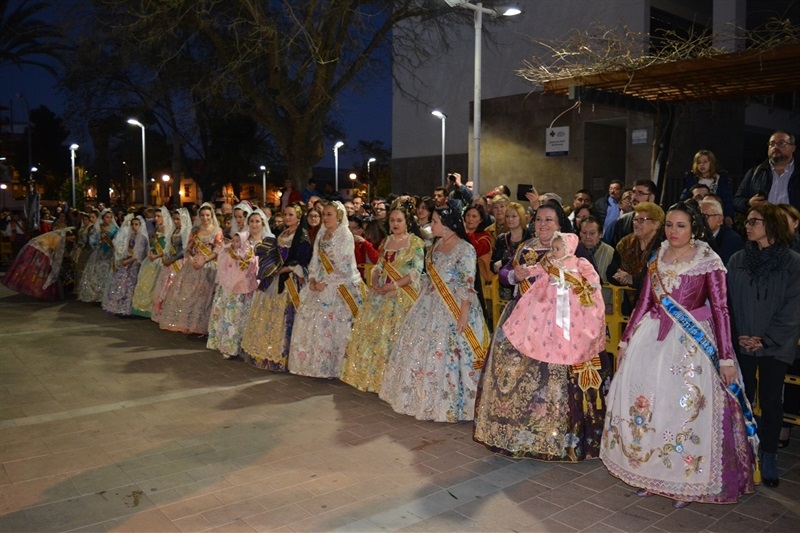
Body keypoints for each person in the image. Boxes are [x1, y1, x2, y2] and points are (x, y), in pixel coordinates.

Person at [602, 202, 756, 507]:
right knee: (651, 407)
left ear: (694, 228)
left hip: (691, 345)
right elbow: (644, 303)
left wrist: (726, 357)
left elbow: (721, 310)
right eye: (669, 225)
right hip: (651, 339)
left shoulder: (708, 261)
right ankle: (650, 473)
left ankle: (685, 481)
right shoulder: (657, 256)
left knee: (683, 409)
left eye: (681, 225)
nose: (673, 231)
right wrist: (625, 341)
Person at [474, 200, 609, 461]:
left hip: (563, 324)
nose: (542, 224)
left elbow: (591, 283)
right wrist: (514, 275)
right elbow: (504, 273)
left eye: (549, 220)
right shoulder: (526, 246)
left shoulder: (572, 247)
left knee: (554, 378)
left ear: (560, 224)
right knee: (513, 373)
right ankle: (516, 433)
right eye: (538, 219)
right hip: (523, 319)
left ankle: (558, 436)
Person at [380, 201, 488, 422]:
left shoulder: (465, 249)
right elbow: (430, 276)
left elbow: (467, 284)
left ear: (447, 224)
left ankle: (453, 405)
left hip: (455, 306)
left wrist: (463, 314)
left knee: (451, 354)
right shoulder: (436, 245)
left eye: (435, 221)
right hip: (430, 303)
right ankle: (422, 399)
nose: (432, 225)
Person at [727, 203, 800, 487]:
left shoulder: (792, 262)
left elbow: (793, 308)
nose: (747, 225)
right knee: (741, 397)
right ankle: (741, 451)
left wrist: (766, 339)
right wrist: (738, 335)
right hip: (743, 339)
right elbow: (727, 302)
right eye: (747, 220)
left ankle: (769, 454)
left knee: (770, 400)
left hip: (775, 344)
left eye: (754, 221)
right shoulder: (737, 259)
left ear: (771, 226)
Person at [341, 202, 425, 393]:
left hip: (403, 295)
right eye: (392, 220)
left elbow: (416, 272)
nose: (395, 224)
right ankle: (374, 378)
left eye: (399, 220)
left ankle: (395, 381)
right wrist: (375, 279)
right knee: (373, 335)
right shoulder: (386, 241)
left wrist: (393, 286)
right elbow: (379, 264)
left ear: (407, 222)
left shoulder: (415, 243)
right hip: (381, 293)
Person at [288, 201, 363, 378]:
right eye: (324, 214)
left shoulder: (345, 235)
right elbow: (315, 258)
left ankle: (333, 367)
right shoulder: (322, 233)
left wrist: (326, 282)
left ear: (339, 216)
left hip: (340, 285)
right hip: (320, 282)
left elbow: (344, 264)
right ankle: (313, 366)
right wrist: (313, 278)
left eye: (329, 214)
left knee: (334, 326)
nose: (325, 218)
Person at [241, 204, 312, 371]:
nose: (287, 217)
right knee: (268, 314)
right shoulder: (283, 232)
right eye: (285, 214)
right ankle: (265, 351)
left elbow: (302, 262)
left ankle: (283, 356)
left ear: (298, 217)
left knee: (285, 317)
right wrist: (269, 268)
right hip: (275, 278)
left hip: (290, 281)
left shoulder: (302, 236)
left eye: (291, 215)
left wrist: (281, 270)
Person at [159, 202, 224, 335]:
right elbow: (188, 248)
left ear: (212, 216)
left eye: (208, 215)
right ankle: (187, 323)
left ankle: (201, 324)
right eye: (202, 215)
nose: (205, 218)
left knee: (204, 297)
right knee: (187, 294)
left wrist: (205, 260)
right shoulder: (195, 231)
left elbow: (218, 250)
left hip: (209, 266)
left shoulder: (217, 231)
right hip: (193, 265)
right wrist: (191, 259)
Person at [207, 230, 259, 359]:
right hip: (230, 289)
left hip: (244, 290)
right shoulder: (229, 253)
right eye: (234, 241)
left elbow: (253, 268)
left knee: (240, 318)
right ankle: (227, 346)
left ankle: (240, 346)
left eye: (238, 241)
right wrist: (225, 251)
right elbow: (223, 266)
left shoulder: (250, 253)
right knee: (229, 318)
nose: (235, 243)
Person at [607, 201, 664, 307]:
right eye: (635, 220)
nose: (636, 224)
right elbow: (611, 272)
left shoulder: (664, 247)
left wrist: (632, 279)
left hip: (656, 305)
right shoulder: (625, 243)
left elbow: (660, 280)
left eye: (641, 220)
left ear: (656, 224)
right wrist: (620, 277)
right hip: (627, 305)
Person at [2, 227, 75, 300]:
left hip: (33, 250)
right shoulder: (58, 239)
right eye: (72, 238)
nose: (72, 240)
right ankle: (39, 291)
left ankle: (32, 288)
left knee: (31, 270)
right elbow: (58, 255)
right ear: (67, 236)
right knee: (42, 272)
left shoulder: (55, 235)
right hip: (40, 252)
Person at [735, 131, 799, 215]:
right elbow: (737, 201)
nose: (775, 147)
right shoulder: (755, 173)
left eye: (781, 143)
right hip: (763, 222)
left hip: (793, 223)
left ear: (793, 148)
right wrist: (749, 203)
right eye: (772, 144)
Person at [131, 206, 173, 317]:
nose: (156, 218)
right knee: (145, 283)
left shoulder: (168, 230)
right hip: (152, 258)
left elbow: (168, 249)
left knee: (155, 285)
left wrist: (157, 256)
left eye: (159, 216)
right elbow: (153, 243)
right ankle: (141, 308)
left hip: (160, 260)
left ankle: (152, 309)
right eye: (155, 216)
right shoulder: (157, 228)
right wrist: (150, 252)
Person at [151, 208, 192, 324]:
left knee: (175, 287)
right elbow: (168, 246)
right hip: (171, 262)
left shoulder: (186, 232)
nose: (176, 221)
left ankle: (175, 315)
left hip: (181, 262)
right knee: (165, 286)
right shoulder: (174, 230)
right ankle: (164, 313)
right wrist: (166, 257)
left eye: (178, 219)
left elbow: (184, 250)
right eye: (175, 219)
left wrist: (171, 260)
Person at [103, 214, 149, 316]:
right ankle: (120, 306)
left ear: (140, 225)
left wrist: (127, 261)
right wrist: (124, 259)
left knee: (130, 284)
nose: (134, 226)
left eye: (136, 224)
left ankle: (128, 307)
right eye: (132, 224)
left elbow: (138, 255)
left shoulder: (142, 238)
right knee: (121, 283)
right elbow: (127, 250)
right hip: (128, 262)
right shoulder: (131, 236)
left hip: (135, 265)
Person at [679, 150, 735, 223]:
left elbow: (726, 199)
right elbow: (685, 198)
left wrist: (728, 215)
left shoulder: (720, 180)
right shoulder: (693, 180)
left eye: (705, 162)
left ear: (711, 163)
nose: (702, 165)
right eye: (699, 162)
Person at [491, 202, 532, 301]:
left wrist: (504, 262)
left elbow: (527, 262)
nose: (510, 219)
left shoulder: (530, 238)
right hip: (505, 285)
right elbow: (493, 265)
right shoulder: (501, 238)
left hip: (525, 285)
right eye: (507, 216)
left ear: (521, 218)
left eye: (514, 216)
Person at [78, 208, 119, 302]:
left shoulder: (115, 229)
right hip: (100, 252)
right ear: (103, 218)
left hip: (110, 253)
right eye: (107, 217)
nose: (109, 219)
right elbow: (92, 240)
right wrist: (98, 242)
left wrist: (112, 243)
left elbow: (119, 240)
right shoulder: (98, 228)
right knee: (97, 271)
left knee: (109, 271)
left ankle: (107, 294)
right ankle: (98, 295)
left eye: (110, 217)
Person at [606, 179, 657, 247]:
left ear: (651, 197)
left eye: (640, 193)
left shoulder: (660, 222)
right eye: (634, 192)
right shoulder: (620, 222)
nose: (634, 197)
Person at [699, 197, 743, 265]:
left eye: (706, 216)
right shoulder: (695, 236)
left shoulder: (733, 240)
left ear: (719, 219)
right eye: (699, 216)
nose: (701, 220)